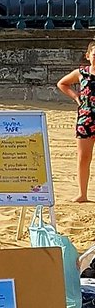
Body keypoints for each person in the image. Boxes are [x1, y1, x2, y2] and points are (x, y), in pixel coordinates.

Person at [55, 39, 95, 202]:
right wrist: (76, 97)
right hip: (86, 118)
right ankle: (82, 193)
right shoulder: (81, 73)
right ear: (88, 56)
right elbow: (62, 84)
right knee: (84, 157)